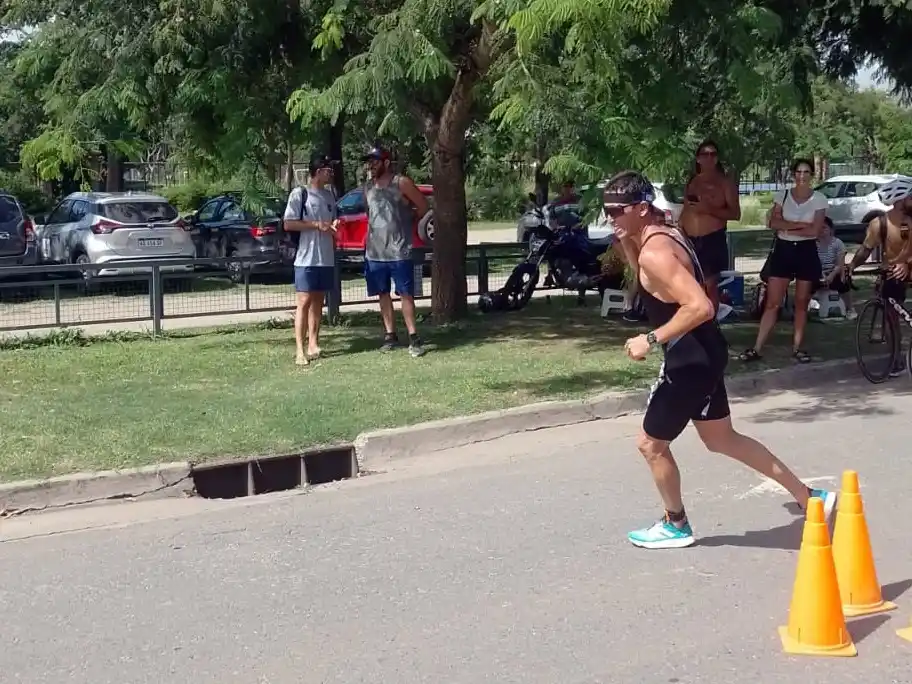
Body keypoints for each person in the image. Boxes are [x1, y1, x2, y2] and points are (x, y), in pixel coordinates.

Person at [602, 170, 836, 550]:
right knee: (722, 439)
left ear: (642, 208)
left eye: (616, 211)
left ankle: (675, 524)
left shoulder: (657, 251)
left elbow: (700, 306)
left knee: (651, 444)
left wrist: (650, 338)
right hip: (705, 352)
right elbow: (650, 280)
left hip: (690, 358)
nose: (609, 217)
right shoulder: (658, 234)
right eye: (607, 210)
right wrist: (627, 241)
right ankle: (811, 499)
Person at [740, 159, 827, 364]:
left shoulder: (819, 199)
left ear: (811, 174)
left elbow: (814, 230)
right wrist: (798, 225)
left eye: (806, 172)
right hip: (783, 249)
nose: (802, 176)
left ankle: (797, 347)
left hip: (806, 251)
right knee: (773, 302)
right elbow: (773, 222)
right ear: (793, 174)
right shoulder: (784, 195)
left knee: (801, 302)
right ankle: (757, 347)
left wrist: (787, 226)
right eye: (798, 171)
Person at [362, 143, 430, 357]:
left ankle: (413, 337)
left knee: (405, 293)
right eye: (369, 162)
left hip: (399, 250)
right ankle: (390, 335)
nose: (370, 165)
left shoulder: (401, 183)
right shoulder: (367, 188)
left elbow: (423, 208)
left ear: (386, 162)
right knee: (382, 293)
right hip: (375, 252)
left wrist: (407, 219)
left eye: (374, 161)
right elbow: (369, 215)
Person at [846, 175, 912, 375]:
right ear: (900, 200)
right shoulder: (879, 223)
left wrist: (907, 263)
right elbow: (866, 249)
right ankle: (897, 358)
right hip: (893, 272)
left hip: (907, 267)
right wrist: (852, 266)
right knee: (890, 314)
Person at [283, 153, 340, 366]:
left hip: (325, 257)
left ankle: (313, 343)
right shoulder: (300, 194)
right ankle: (299, 350)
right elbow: (288, 224)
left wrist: (334, 227)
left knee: (318, 301)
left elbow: (331, 221)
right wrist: (316, 225)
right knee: (304, 302)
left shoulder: (329, 196)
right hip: (305, 258)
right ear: (318, 171)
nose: (331, 174)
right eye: (328, 170)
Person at [679, 139, 741, 313]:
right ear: (698, 159)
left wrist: (709, 209)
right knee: (692, 284)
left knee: (709, 285)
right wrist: (679, 228)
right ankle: (695, 323)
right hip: (689, 239)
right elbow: (686, 209)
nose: (709, 158)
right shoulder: (693, 182)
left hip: (712, 239)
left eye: (713, 154)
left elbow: (735, 214)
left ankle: (710, 324)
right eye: (705, 154)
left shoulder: (725, 183)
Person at [816, 222, 855, 320]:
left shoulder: (838, 243)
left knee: (844, 281)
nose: (822, 230)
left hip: (835, 271)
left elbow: (839, 264)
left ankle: (850, 308)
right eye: (819, 227)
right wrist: (822, 275)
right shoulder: (813, 244)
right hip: (818, 272)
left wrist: (831, 276)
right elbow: (813, 262)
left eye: (824, 227)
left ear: (831, 230)